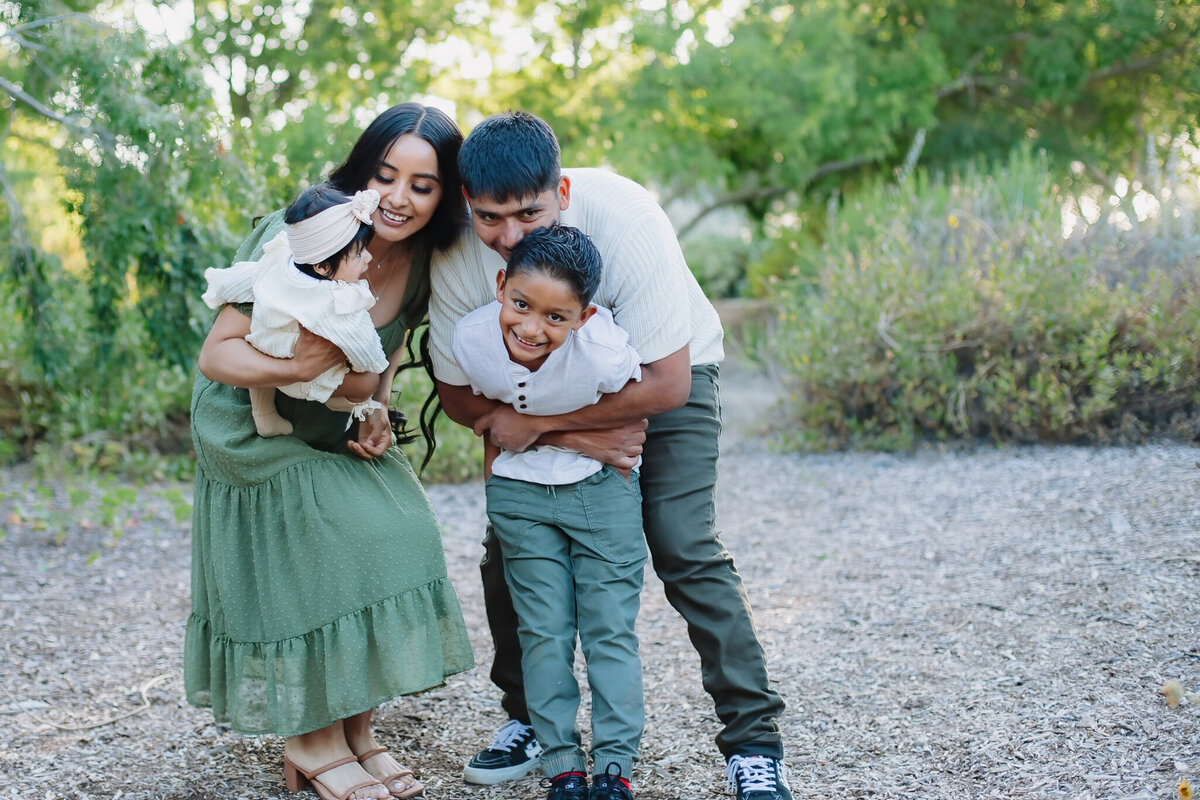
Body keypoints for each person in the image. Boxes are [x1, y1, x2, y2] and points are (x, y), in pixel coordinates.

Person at [429, 111, 792, 800]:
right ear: (469, 205)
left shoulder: (626, 218)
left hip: (657, 378)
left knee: (681, 542)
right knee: (510, 545)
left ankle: (752, 743)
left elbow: (667, 383)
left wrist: (540, 427)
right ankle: (532, 722)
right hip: (538, 404)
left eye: (528, 215)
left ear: (561, 192)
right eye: (490, 218)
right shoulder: (457, 251)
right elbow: (456, 392)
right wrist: (568, 436)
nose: (508, 238)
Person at [187, 102, 474, 800]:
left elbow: (383, 364)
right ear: (362, 173)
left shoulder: (423, 264)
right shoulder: (310, 229)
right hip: (248, 420)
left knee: (398, 527)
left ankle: (355, 726)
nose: (400, 199)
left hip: (334, 417)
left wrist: (376, 413)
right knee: (329, 527)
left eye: (423, 184)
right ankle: (308, 738)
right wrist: (299, 369)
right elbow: (218, 355)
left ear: (444, 196)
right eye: (386, 175)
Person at [451, 224, 645, 800]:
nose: (532, 328)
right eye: (520, 305)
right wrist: (518, 455)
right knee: (542, 633)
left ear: (583, 318)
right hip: (519, 497)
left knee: (609, 630)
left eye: (556, 318)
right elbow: (485, 417)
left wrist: (559, 438)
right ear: (501, 284)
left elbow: (628, 425)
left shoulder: (606, 353)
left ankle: (614, 767)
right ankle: (561, 762)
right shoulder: (471, 340)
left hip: (600, 493)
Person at [201, 185, 391, 437]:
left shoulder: (280, 258)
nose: (367, 258)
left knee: (257, 343)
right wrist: (371, 366)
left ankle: (264, 413)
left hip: (265, 351)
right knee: (368, 382)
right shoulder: (335, 300)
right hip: (302, 376)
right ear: (323, 266)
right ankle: (334, 401)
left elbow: (245, 278)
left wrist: (218, 289)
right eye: (358, 255)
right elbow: (362, 342)